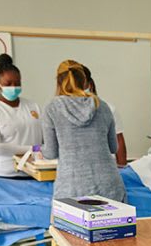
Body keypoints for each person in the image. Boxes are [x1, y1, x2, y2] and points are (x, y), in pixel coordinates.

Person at [41, 60, 126, 204]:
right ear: (85, 81)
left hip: (72, 188)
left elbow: (50, 153)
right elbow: (113, 147)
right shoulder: (102, 105)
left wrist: (40, 150)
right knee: (112, 227)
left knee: (65, 227)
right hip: (109, 185)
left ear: (59, 82)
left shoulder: (52, 108)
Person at [0, 53, 42, 179]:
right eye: (8, 83)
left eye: (17, 83)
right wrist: (33, 149)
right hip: (4, 174)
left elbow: (44, 137)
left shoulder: (32, 106)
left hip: (33, 171)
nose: (13, 87)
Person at [84, 67, 127, 167]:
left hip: (105, 165)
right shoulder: (64, 110)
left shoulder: (107, 108)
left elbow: (118, 139)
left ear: (89, 84)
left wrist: (122, 168)